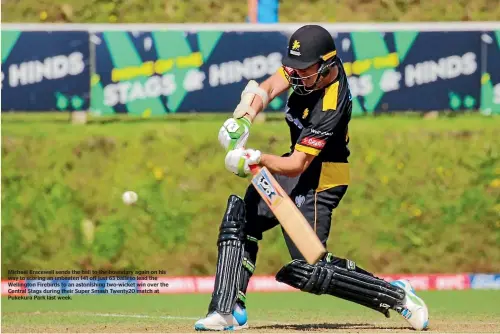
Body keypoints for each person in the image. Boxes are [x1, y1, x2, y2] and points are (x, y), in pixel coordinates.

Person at [194, 25, 429, 332]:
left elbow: (296, 164)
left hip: (322, 178)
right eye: (294, 68)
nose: (295, 76)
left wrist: (257, 158)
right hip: (297, 168)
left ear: (327, 66)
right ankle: (227, 309)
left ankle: (397, 296)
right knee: (240, 217)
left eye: (304, 71)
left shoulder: (331, 104)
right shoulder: (305, 68)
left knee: (310, 268)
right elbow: (267, 87)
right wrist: (243, 118)